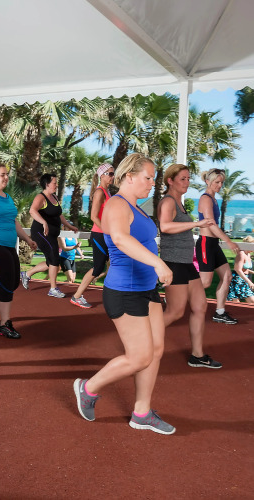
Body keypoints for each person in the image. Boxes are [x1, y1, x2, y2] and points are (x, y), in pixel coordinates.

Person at [74, 153, 175, 435]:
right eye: (148, 177)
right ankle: (88, 388)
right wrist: (158, 263)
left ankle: (142, 413)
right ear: (129, 176)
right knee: (139, 357)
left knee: (156, 351)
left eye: (153, 178)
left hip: (146, 289)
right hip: (125, 290)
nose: (152, 183)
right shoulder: (116, 204)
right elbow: (119, 238)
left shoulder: (137, 208)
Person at [158, 164, 220, 369]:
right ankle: (139, 339)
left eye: (188, 178)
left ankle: (197, 355)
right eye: (183, 179)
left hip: (185, 263)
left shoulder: (180, 202)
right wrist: (196, 224)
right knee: (175, 312)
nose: (187, 182)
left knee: (200, 306)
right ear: (170, 181)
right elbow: (165, 226)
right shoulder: (168, 201)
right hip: (173, 263)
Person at [0, 162, 38, 339]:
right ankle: (4, 324)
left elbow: (13, 221)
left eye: (7, 174)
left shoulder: (7, 197)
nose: (6, 177)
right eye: (2, 174)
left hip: (8, 245)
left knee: (13, 283)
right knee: (6, 283)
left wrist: (27, 239)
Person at [21, 173, 78, 297]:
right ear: (47, 184)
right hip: (41, 233)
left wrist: (69, 226)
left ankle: (27, 274)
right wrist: (44, 222)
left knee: (50, 262)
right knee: (54, 259)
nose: (56, 185)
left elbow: (59, 215)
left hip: (52, 234)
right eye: (54, 183)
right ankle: (53, 289)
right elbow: (32, 210)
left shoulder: (54, 197)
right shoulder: (41, 197)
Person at [196, 168, 241, 324]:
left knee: (227, 276)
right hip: (205, 244)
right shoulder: (205, 199)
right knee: (205, 282)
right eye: (217, 182)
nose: (220, 185)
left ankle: (219, 313)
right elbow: (211, 224)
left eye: (221, 182)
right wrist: (228, 241)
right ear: (207, 181)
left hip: (214, 245)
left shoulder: (214, 199)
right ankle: (175, 295)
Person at [70, 163, 114, 308]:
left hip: (106, 234)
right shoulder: (100, 192)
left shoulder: (108, 192)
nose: (113, 176)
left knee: (113, 264)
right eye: (110, 174)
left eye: (113, 173)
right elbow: (94, 217)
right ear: (102, 176)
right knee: (98, 267)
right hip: (100, 235)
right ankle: (76, 296)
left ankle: (114, 295)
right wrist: (108, 231)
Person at [227, 238, 254, 303]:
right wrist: (249, 282)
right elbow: (237, 269)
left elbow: (244, 268)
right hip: (237, 279)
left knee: (251, 301)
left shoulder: (248, 254)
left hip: (244, 279)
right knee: (236, 303)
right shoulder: (241, 254)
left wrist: (252, 272)